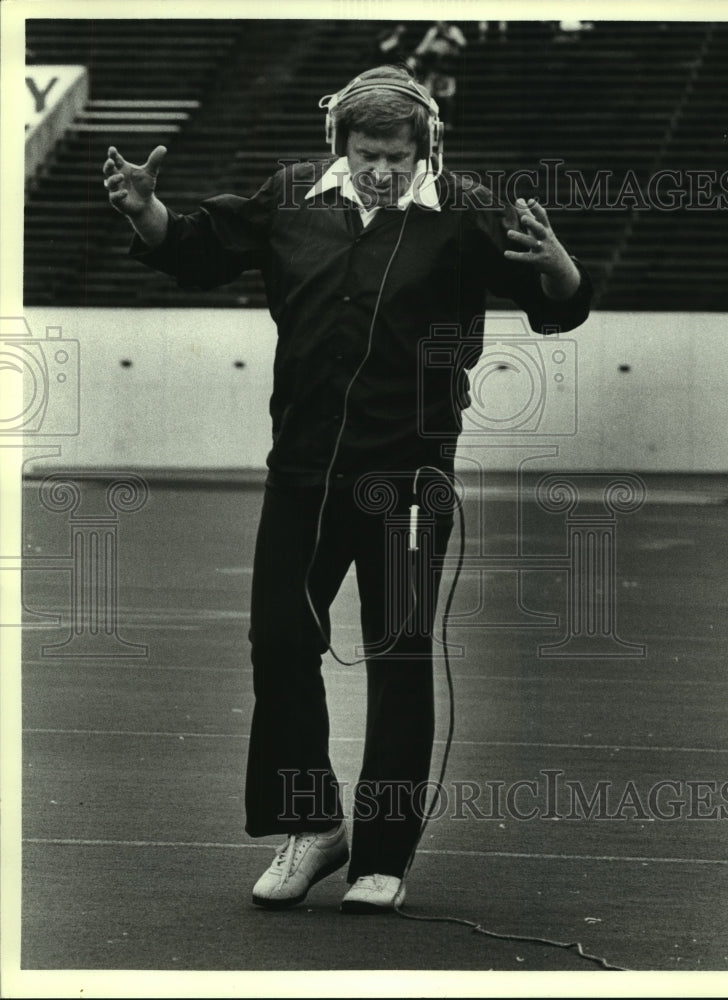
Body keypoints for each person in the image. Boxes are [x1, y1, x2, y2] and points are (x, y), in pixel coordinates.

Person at [102, 64, 592, 914]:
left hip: (407, 481)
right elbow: (194, 248)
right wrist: (145, 210)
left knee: (398, 660)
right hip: (300, 474)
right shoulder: (290, 195)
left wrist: (558, 267)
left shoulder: (468, 212)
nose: (380, 171)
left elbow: (557, 303)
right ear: (340, 142)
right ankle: (315, 827)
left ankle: (384, 858)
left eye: (397, 157)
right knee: (278, 644)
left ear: (424, 147)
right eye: (367, 153)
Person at [409, 21, 467, 129]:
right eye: (437, 23)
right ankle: (428, 121)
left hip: (449, 67)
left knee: (448, 97)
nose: (439, 25)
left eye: (441, 23)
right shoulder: (433, 31)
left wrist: (447, 37)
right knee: (429, 95)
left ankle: (449, 121)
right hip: (434, 67)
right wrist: (416, 56)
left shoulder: (454, 31)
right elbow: (423, 47)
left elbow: (463, 44)